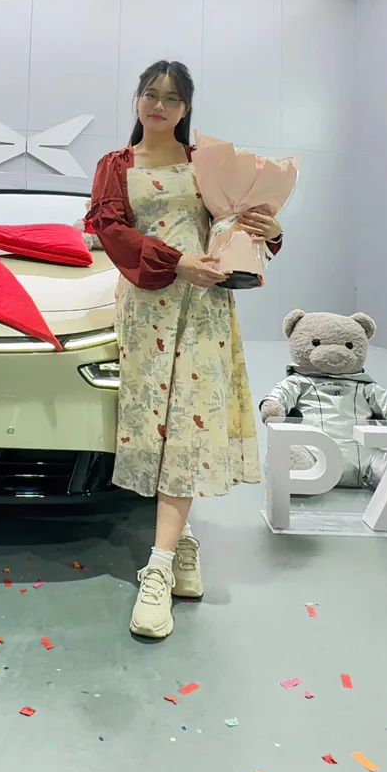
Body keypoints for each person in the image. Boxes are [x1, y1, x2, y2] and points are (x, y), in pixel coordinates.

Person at [86, 60, 283, 639]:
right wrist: (177, 262)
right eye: (150, 94)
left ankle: (159, 566)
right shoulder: (115, 166)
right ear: (137, 100)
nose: (159, 105)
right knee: (154, 424)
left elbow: (236, 226)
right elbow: (112, 231)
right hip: (147, 309)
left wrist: (269, 232)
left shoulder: (208, 163)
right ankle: (184, 541)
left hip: (204, 310)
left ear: (186, 107)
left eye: (171, 98)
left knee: (189, 424)